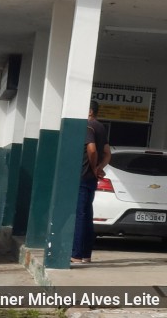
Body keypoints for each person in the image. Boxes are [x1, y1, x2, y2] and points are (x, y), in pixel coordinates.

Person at [71, 100, 111, 264]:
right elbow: (108, 153)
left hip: (82, 176)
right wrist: (99, 167)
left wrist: (94, 166)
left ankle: (76, 254)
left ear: (89, 111)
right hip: (91, 179)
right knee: (87, 215)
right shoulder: (101, 127)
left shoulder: (87, 126)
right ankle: (86, 254)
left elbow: (92, 149)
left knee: (79, 215)